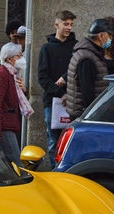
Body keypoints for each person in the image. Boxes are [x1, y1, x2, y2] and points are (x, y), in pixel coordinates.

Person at [37, 10, 77, 168]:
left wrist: (65, 79)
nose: (68, 27)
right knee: (54, 141)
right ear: (56, 25)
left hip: (74, 100)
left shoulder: (76, 46)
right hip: (52, 102)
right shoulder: (47, 49)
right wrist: (60, 93)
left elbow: (78, 68)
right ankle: (56, 172)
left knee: (70, 141)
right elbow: (42, 77)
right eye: (65, 24)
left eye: (71, 25)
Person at [0, 42, 34, 167]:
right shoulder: (2, 75)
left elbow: (14, 98)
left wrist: (25, 90)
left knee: (6, 164)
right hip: (2, 127)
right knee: (15, 163)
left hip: (7, 125)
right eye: (18, 56)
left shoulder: (12, 75)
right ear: (9, 59)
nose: (22, 59)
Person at [66, 19, 114, 121]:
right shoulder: (87, 58)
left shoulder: (91, 53)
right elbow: (88, 92)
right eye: (109, 35)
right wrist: (93, 116)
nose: (111, 38)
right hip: (86, 116)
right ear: (101, 36)